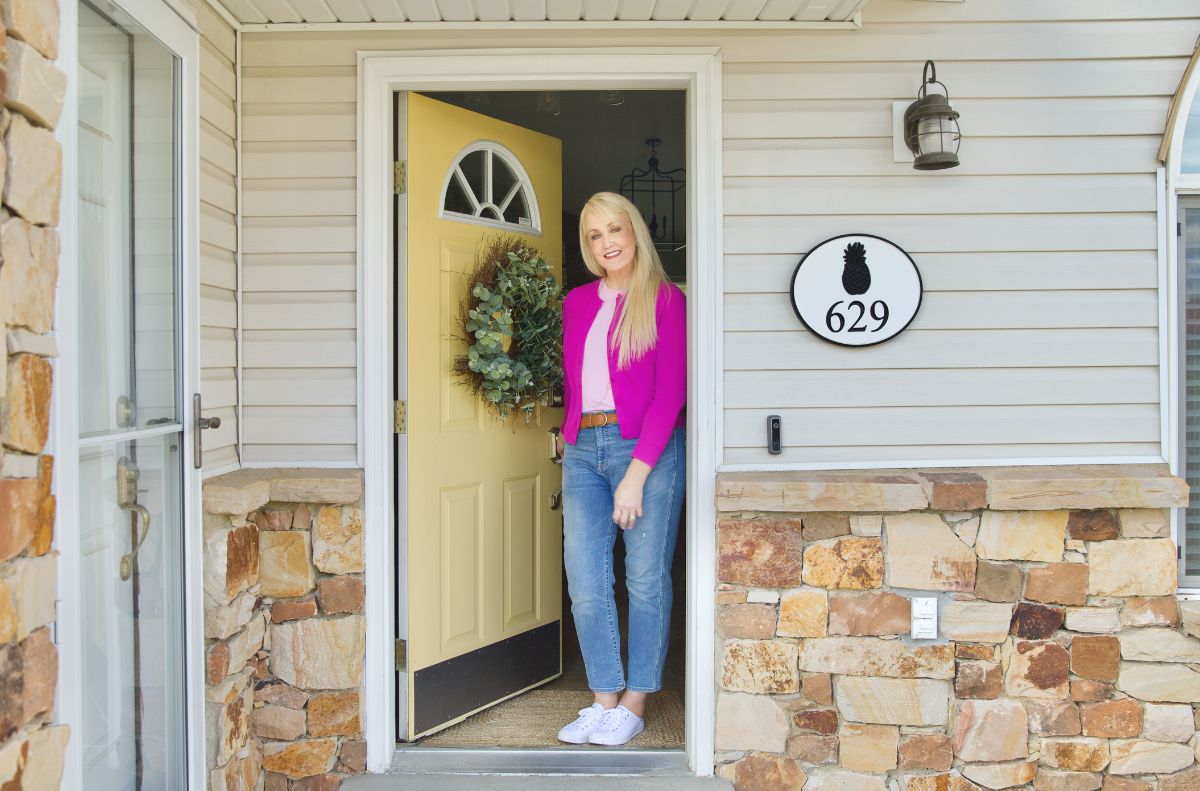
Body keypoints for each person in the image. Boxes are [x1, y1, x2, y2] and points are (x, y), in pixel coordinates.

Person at [554, 191, 686, 747]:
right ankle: (603, 698)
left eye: (614, 230)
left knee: (644, 580)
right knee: (585, 581)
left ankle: (636, 700)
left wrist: (636, 474)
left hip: (645, 447)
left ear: (634, 232)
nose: (607, 243)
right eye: (594, 236)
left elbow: (670, 393)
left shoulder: (664, 299)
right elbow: (577, 381)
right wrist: (567, 436)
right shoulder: (578, 302)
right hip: (584, 448)